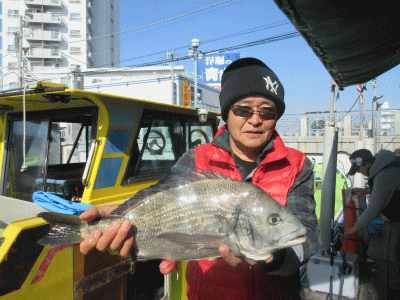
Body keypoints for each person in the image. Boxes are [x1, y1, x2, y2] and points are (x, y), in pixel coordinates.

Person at [79, 57, 320, 300]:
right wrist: (123, 214)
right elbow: (161, 196)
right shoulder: (196, 159)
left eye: (267, 111)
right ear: (227, 113)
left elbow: (307, 237)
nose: (256, 120)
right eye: (243, 110)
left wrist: (274, 256)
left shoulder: (298, 165)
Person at [344, 148, 400, 237]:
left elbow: (374, 207)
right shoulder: (384, 166)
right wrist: (366, 190)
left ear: (368, 164)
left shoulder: (384, 174)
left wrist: (354, 228)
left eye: (358, 168)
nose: (358, 171)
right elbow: (389, 189)